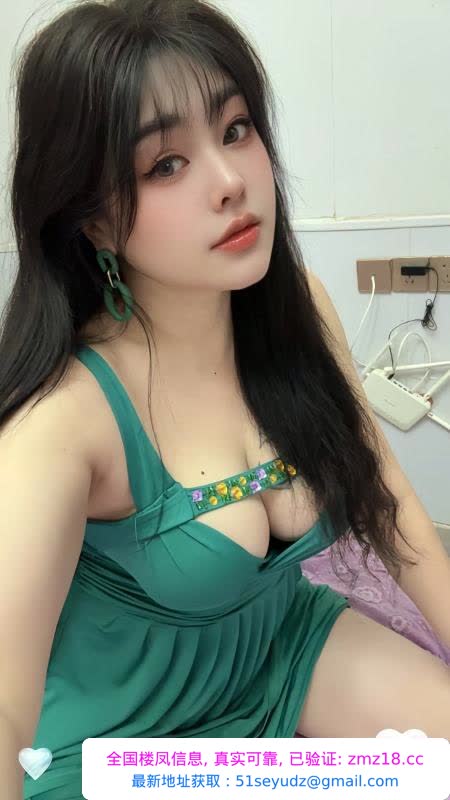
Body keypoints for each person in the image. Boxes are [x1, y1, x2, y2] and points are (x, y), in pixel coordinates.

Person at [1, 0, 449, 797]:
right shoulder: (64, 419)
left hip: (282, 646)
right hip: (123, 744)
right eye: (165, 165)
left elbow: (394, 510)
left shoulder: (298, 309)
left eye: (236, 129)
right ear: (93, 223)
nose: (231, 181)